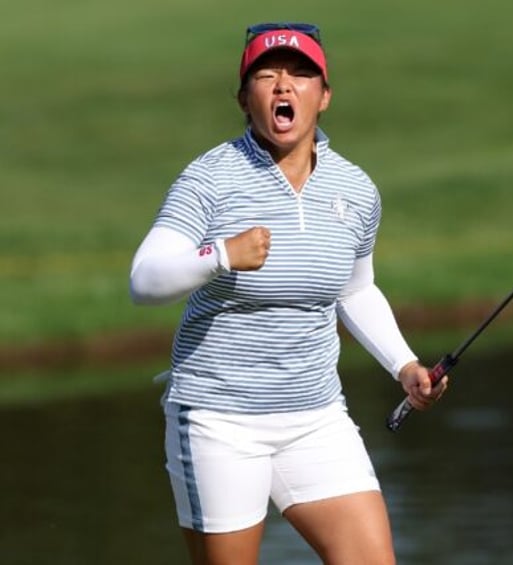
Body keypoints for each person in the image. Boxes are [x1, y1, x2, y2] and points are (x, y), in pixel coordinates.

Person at [129, 21, 447, 565]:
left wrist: (404, 365)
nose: (283, 85)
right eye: (267, 75)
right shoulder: (210, 179)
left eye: (300, 75)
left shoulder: (354, 189)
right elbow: (145, 279)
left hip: (315, 417)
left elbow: (357, 289)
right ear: (244, 98)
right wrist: (222, 255)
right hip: (218, 420)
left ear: (323, 97)